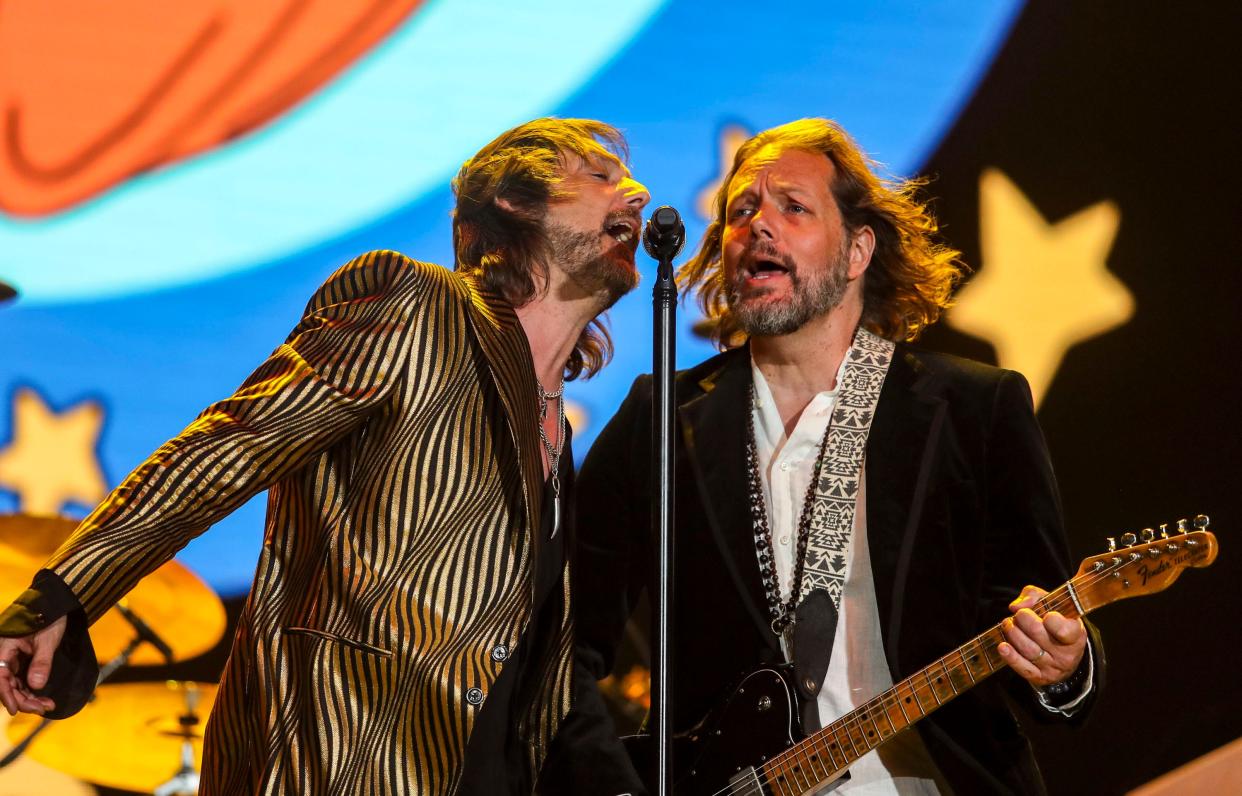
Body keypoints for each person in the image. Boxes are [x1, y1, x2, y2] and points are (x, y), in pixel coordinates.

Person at [0, 117, 650, 795]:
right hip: (342, 758)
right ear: (516, 202)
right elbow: (232, 447)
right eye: (600, 178)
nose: (635, 195)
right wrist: (67, 591)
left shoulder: (557, 437)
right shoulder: (416, 303)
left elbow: (540, 677)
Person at [575, 118, 1101, 794]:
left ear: (857, 251)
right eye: (742, 210)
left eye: (793, 207)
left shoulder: (973, 409)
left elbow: (1039, 620)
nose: (759, 225)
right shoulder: (663, 418)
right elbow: (568, 645)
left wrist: (1064, 666)